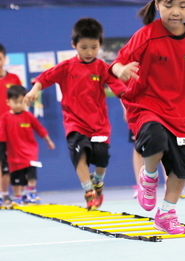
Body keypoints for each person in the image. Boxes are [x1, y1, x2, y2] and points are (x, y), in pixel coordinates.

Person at [110, 0, 185, 234]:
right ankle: (149, 175)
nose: (175, 12)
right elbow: (117, 62)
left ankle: (166, 213)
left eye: (182, 5)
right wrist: (121, 70)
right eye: (168, 5)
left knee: (182, 170)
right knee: (155, 139)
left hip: (181, 113)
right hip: (147, 105)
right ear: (156, 4)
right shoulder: (146, 35)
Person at [23, 18, 127, 210]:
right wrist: (34, 90)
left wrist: (127, 108)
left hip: (99, 125)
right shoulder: (66, 67)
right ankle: (89, 191)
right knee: (80, 156)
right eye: (84, 47)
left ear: (100, 45)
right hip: (75, 123)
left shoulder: (103, 68)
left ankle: (98, 182)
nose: (89, 52)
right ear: (74, 45)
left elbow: (120, 89)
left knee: (102, 158)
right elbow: (44, 78)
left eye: (94, 47)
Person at [0, 85, 55, 205]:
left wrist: (48, 141)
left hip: (30, 152)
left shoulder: (28, 116)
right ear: (8, 102)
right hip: (14, 155)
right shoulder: (4, 118)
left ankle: (31, 192)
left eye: (21, 102)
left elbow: (40, 129)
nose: (19, 105)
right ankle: (18, 196)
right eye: (15, 102)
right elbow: (2, 136)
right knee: (16, 177)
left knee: (31, 173)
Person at [0, 44, 22, 207]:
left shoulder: (14, 79)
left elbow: (22, 103)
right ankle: (4, 194)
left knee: (14, 163)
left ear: (4, 59)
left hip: (13, 129)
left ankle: (17, 195)